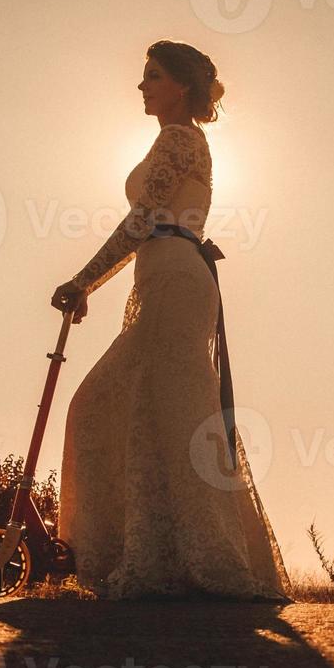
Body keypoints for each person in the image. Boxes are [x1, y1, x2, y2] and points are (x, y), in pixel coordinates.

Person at [51, 40, 288, 601]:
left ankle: (183, 558)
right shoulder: (178, 140)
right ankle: (156, 553)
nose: (142, 86)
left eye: (152, 76)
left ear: (180, 85)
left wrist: (82, 280)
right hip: (168, 278)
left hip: (177, 280)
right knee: (153, 412)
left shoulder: (179, 139)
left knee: (136, 408)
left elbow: (141, 221)